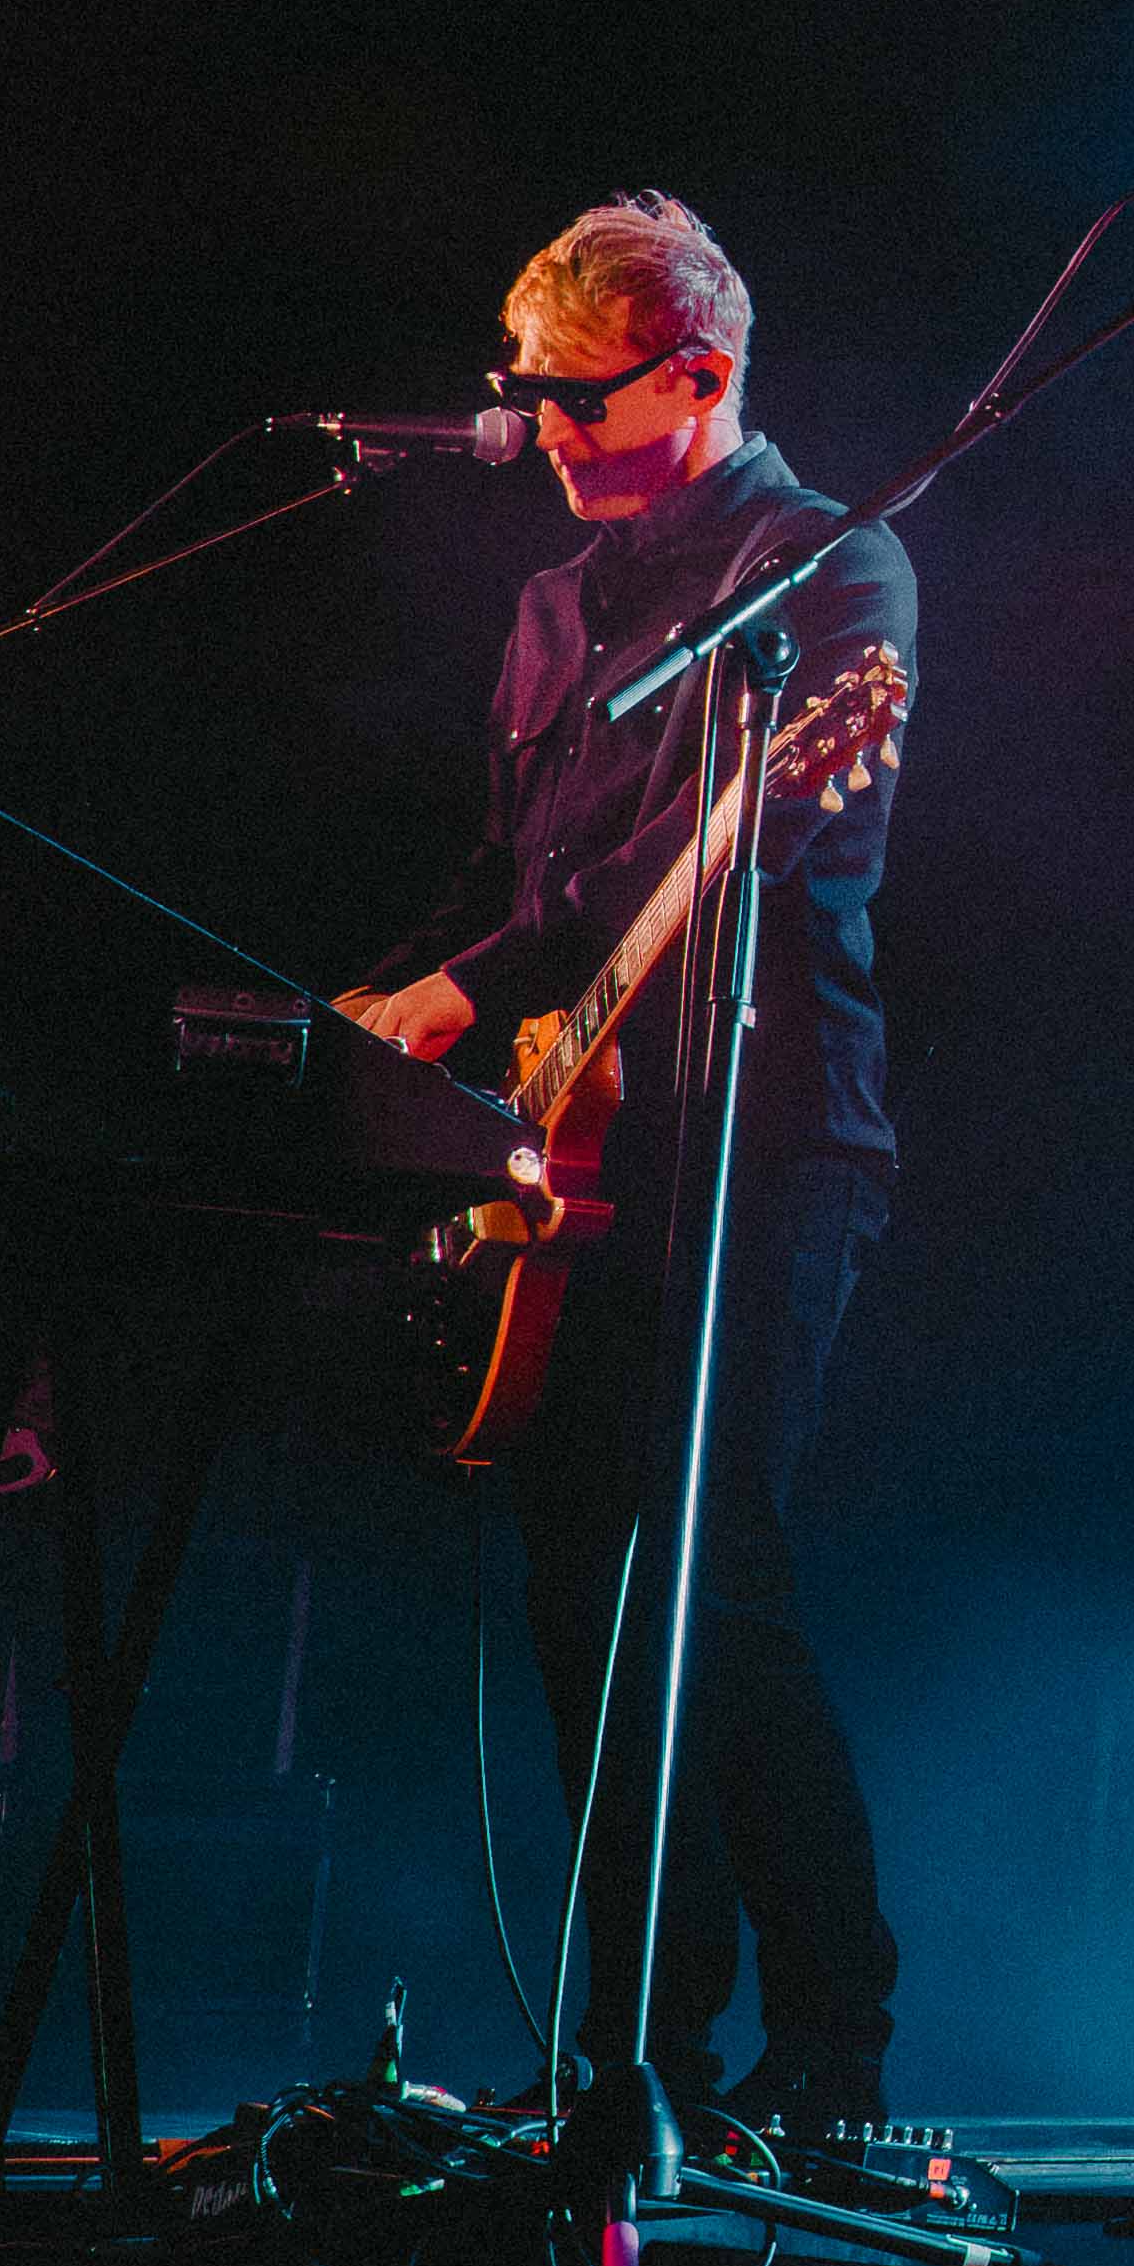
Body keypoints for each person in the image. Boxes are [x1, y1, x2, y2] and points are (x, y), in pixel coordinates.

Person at [339, 190, 918, 2166]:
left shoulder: (832, 568)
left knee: (717, 1575)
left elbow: (803, 866)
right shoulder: (552, 607)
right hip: (573, 1156)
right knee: (584, 1588)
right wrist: (405, 999)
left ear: (703, 369)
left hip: (768, 1140)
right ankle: (631, 2059)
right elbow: (521, 890)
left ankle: (835, 2029)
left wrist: (481, 974)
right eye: (529, 396)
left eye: (580, 396)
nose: (547, 431)